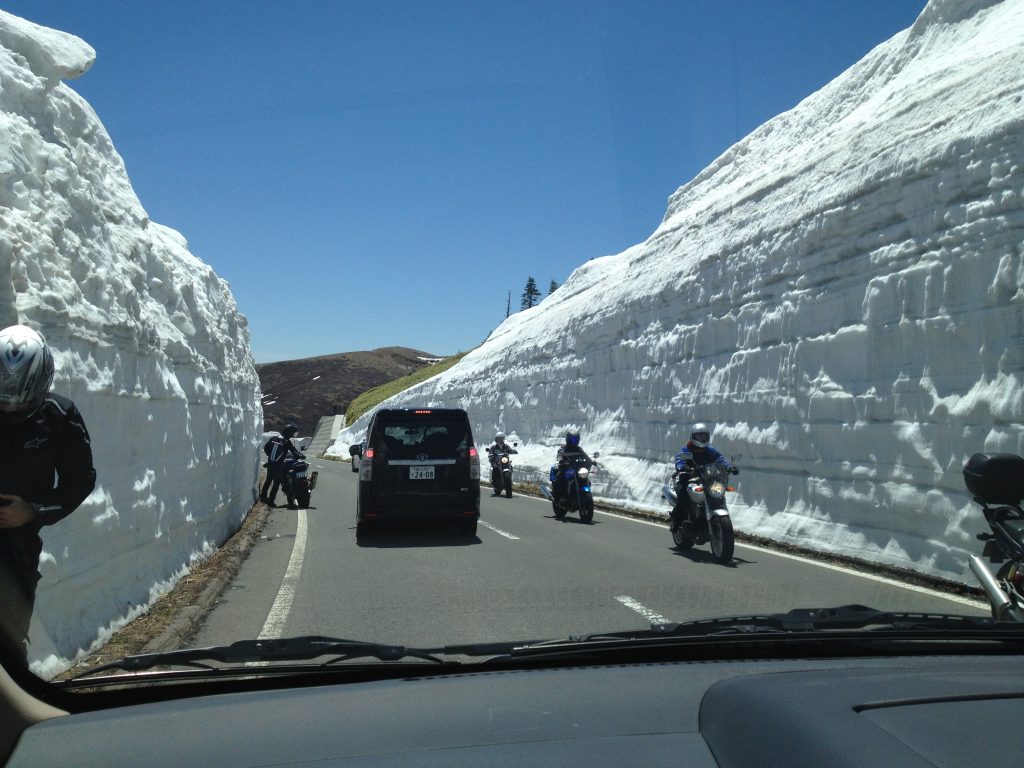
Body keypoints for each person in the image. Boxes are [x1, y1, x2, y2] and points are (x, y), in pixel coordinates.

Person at [0, 325, 96, 662]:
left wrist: (33, 511)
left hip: (15, 554)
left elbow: (81, 480)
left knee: (9, 644)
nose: (11, 407)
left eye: (21, 399)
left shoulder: (59, 416)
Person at [670, 422, 738, 531]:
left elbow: (720, 459)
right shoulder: (686, 450)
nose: (702, 438)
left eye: (704, 435)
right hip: (688, 479)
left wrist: (729, 468)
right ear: (693, 436)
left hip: (706, 479)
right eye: (699, 435)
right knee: (683, 496)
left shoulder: (710, 450)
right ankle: (676, 521)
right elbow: (680, 459)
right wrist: (681, 468)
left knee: (718, 492)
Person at [260, 423, 304, 508]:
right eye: (293, 433)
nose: (293, 434)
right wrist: (301, 456)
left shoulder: (274, 438)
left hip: (270, 462)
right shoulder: (287, 442)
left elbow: (266, 448)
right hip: (278, 465)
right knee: (276, 483)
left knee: (268, 480)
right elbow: (294, 451)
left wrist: (270, 456)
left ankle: (263, 497)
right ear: (290, 433)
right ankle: (271, 502)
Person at [552, 429, 596, 504]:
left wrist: (591, 461)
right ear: (568, 439)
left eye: (576, 439)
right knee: (561, 480)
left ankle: (582, 498)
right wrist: (561, 459)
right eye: (573, 439)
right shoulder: (563, 448)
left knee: (586, 480)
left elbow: (585, 456)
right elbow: (559, 455)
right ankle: (559, 497)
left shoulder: (579, 449)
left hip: (576, 469)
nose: (574, 441)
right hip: (565, 468)